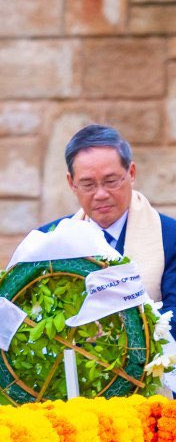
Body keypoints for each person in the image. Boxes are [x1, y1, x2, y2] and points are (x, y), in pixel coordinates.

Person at [42, 123, 176, 313]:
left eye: (111, 181)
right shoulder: (47, 240)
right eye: (88, 184)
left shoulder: (170, 237)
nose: (101, 194)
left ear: (131, 173)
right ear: (71, 183)